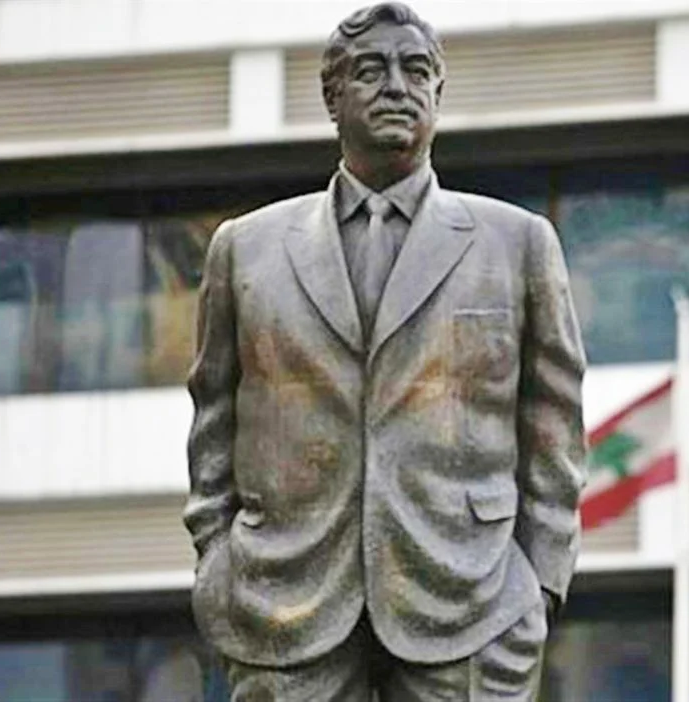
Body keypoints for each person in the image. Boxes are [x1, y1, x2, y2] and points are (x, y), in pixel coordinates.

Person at [184, 4, 586, 700]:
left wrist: (538, 584)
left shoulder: (517, 244)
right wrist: (218, 558)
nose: (398, 86)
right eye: (371, 71)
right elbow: (213, 419)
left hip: (473, 602)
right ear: (332, 98)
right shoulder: (245, 249)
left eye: (417, 70)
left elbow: (555, 426)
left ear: (438, 92)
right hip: (284, 600)